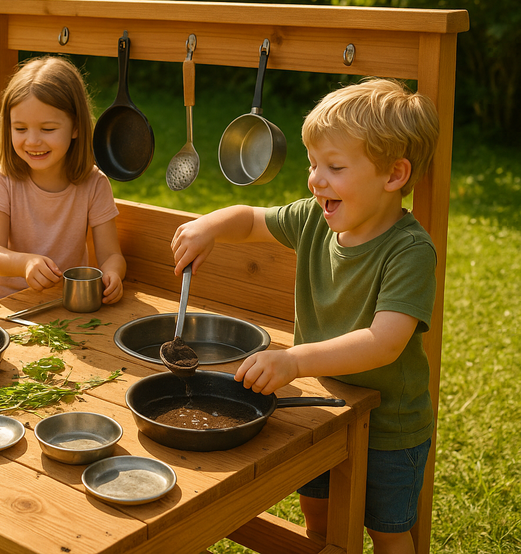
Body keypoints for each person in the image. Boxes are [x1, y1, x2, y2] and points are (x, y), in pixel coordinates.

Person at [171, 78, 439, 554]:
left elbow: (384, 341)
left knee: (388, 531)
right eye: (313, 163)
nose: (315, 179)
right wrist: (210, 224)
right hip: (321, 410)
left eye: (334, 167)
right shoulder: (315, 219)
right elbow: (252, 219)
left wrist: (294, 360)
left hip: (389, 428)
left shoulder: (409, 250)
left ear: (394, 175)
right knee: (318, 516)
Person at [0, 56, 126, 303]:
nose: (33, 141)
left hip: (67, 305)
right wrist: (25, 264)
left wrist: (112, 274)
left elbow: (111, 254)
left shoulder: (94, 184)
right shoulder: (2, 181)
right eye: (20, 129)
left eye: (47, 129)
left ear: (76, 127)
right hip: (6, 305)